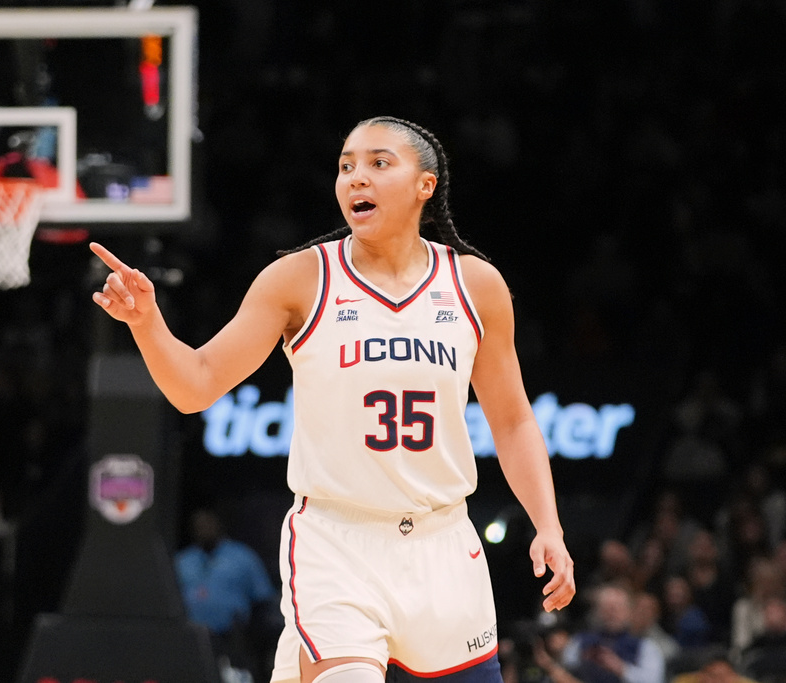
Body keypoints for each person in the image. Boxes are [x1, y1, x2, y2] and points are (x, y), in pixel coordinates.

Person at [90, 115, 575, 683]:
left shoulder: (475, 285)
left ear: (426, 184)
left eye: (377, 163)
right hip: (336, 542)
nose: (355, 178)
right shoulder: (299, 278)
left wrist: (549, 524)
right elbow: (195, 386)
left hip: (444, 542)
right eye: (346, 166)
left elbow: (513, 421)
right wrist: (148, 323)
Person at [174, 507, 277, 681]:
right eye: (198, 525)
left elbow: (262, 598)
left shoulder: (242, 556)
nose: (203, 528)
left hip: (232, 637)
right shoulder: (183, 560)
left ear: (218, 525)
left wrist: (253, 637)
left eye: (208, 523)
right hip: (191, 638)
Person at [560, 583, 665, 683]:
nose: (611, 614)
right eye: (606, 608)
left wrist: (620, 668)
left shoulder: (645, 647)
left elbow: (653, 680)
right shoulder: (579, 641)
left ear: (628, 611)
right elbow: (562, 671)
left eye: (616, 608)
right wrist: (584, 661)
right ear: (597, 611)